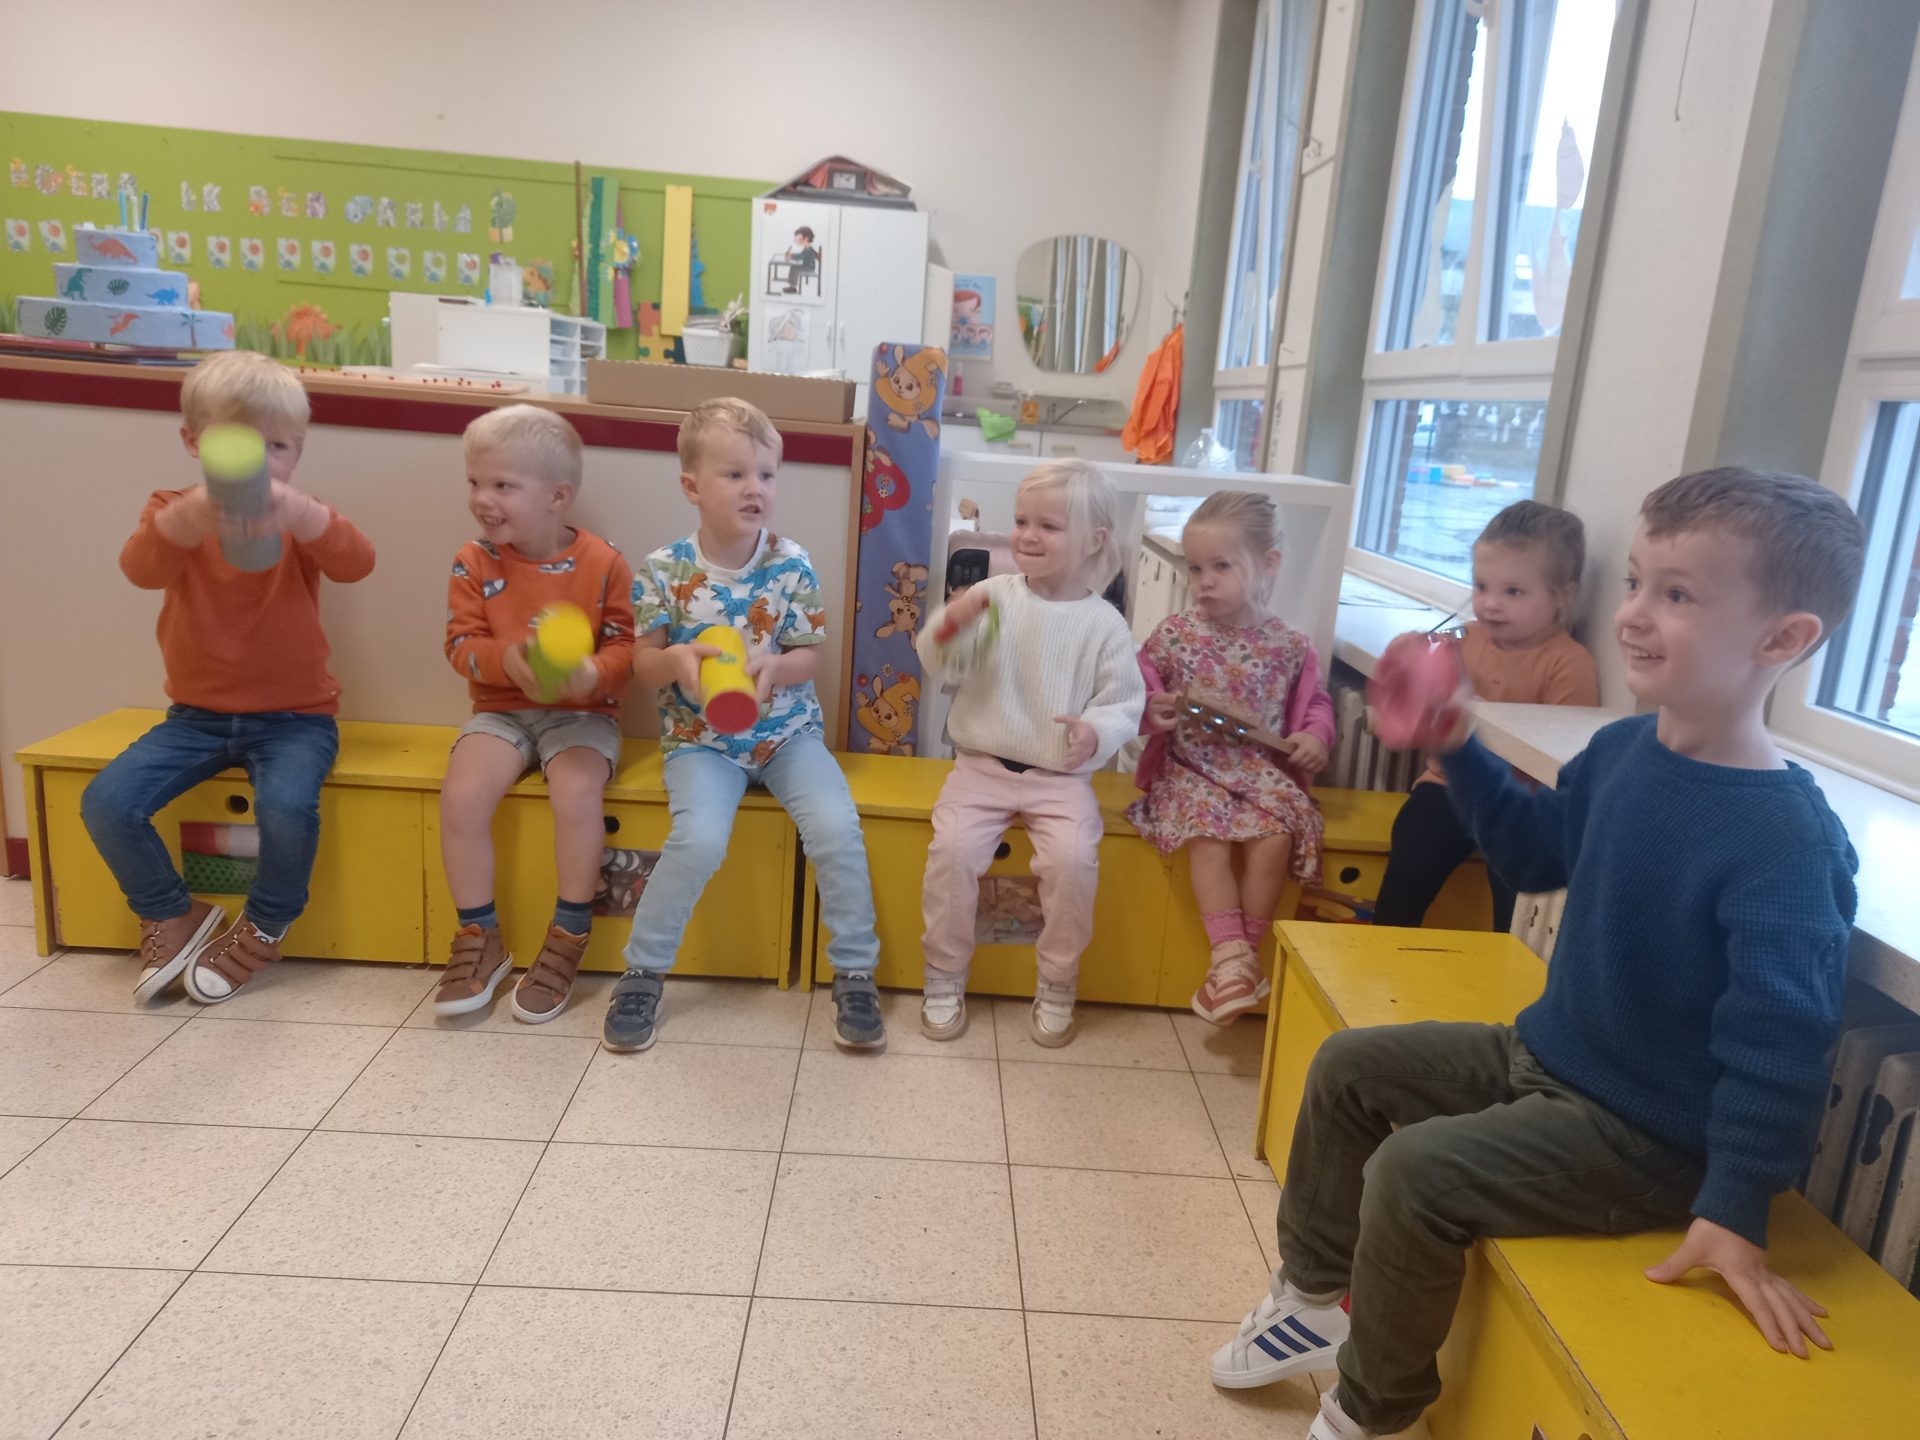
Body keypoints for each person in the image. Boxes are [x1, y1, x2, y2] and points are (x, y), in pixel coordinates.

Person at [1212, 469, 1866, 1440]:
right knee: (1349, 1066)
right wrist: (1458, 744)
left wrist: (1733, 1209)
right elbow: (1532, 858)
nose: (1633, 614)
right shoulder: (1623, 751)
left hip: (1649, 1139)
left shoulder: (1787, 841)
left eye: (1677, 595)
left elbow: (1783, 1042)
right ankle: (1313, 1299)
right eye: (1636, 582)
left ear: (1783, 639)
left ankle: (1372, 1413)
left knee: (1415, 1172)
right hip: (1548, 1055)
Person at [83, 350, 375, 1004]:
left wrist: (308, 516)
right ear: (194, 442)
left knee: (285, 808)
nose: (260, 462)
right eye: (238, 445)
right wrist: (183, 522)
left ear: (297, 453)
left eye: (278, 446)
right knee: (107, 802)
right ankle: (171, 911)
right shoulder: (171, 508)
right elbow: (140, 570)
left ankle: (267, 924)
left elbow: (357, 563)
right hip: (196, 718)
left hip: (297, 719)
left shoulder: (300, 514)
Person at [608, 397, 884, 1053]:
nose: (754, 488)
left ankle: (855, 970)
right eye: (735, 474)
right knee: (698, 838)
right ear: (692, 487)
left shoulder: (792, 563)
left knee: (837, 829)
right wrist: (677, 661)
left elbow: (810, 656)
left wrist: (776, 669)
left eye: (766, 474)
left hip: (788, 735)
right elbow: (642, 663)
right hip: (702, 744)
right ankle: (643, 971)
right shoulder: (664, 571)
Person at [917, 459, 1145, 1047]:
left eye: (1049, 525)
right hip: (980, 766)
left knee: (1073, 863)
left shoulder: (1104, 624)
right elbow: (943, 667)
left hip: (1061, 778)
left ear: (1093, 540)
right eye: (1022, 521)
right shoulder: (991, 597)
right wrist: (947, 627)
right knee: (950, 855)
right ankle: (943, 974)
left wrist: (1096, 731)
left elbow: (1124, 702)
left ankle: (1058, 980)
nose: (1028, 535)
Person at [431, 405, 634, 1021]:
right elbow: (460, 645)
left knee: (576, 795)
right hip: (501, 712)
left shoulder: (604, 563)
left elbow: (628, 649)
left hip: (582, 715)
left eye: (502, 485)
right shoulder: (473, 560)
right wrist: (506, 662)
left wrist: (591, 673)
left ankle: (570, 933)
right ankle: (480, 935)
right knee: (462, 797)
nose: (482, 499)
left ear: (557, 497)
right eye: (475, 481)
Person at [1129, 490, 1334, 1024]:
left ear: (1269, 564)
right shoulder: (1175, 636)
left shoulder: (1289, 645)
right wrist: (1154, 708)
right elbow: (1136, 690)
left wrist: (1315, 736)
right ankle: (1231, 959)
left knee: (1277, 835)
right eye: (1196, 568)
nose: (1205, 581)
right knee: (1208, 834)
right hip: (1189, 768)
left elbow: (1314, 703)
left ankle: (1240, 964)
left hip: (1259, 771)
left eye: (1222, 566)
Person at [1371, 500, 1599, 933]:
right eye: (1480, 586)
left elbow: (1568, 757)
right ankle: (1383, 939)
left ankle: (1500, 960)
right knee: (1413, 845)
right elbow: (1426, 650)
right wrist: (1411, 652)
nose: (1490, 604)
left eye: (1513, 592)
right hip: (1448, 787)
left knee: (1516, 889)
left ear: (1561, 597)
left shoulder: (1569, 663)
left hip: (1521, 805)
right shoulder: (1463, 634)